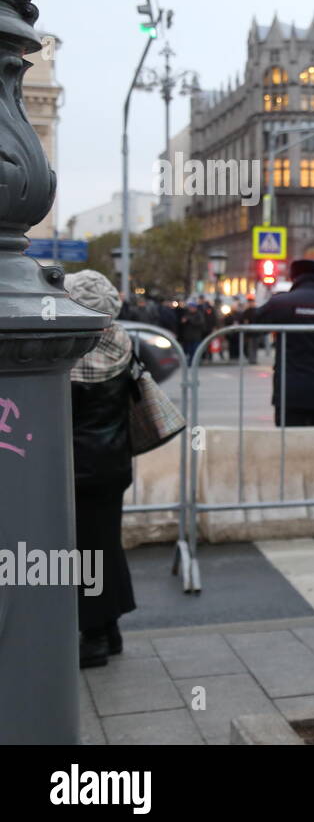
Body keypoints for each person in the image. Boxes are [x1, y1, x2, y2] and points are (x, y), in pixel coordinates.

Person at [65, 270, 138, 669]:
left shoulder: (70, 354)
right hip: (113, 463)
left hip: (78, 467)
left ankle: (93, 636)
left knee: (86, 552)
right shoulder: (122, 341)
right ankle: (109, 630)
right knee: (105, 543)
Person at [253, 259, 314, 426]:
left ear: (293, 277)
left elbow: (253, 327)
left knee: (288, 445)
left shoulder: (280, 303)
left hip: (290, 391)